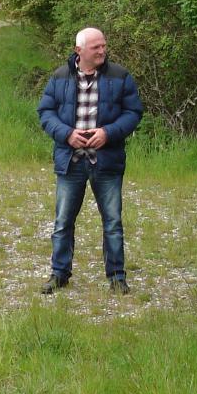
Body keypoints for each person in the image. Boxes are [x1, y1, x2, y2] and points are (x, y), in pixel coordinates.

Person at [37, 27, 143, 294]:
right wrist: (66, 134)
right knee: (62, 222)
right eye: (96, 47)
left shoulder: (120, 76)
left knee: (112, 223)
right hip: (70, 161)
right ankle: (59, 274)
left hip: (106, 161)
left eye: (103, 46)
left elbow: (133, 113)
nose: (102, 51)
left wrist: (108, 133)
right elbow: (45, 112)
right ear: (79, 51)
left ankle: (117, 277)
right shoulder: (60, 77)